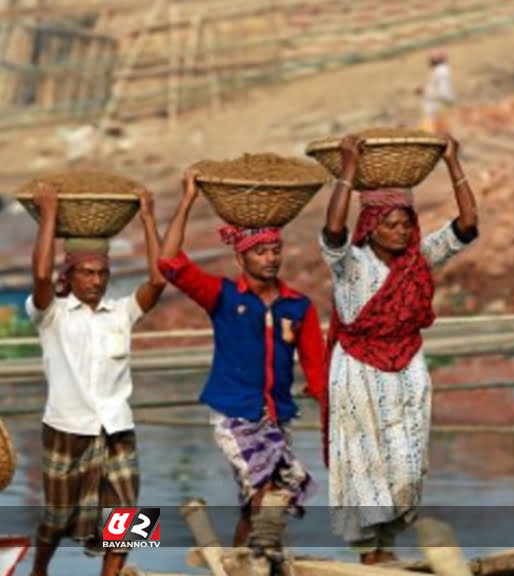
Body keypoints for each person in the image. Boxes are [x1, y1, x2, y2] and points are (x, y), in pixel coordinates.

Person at [319, 133, 478, 565]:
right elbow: (333, 232)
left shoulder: (416, 261)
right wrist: (350, 169)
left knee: (403, 469)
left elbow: (466, 226)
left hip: (405, 368)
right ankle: (118, 553)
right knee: (266, 493)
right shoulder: (352, 265)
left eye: (406, 222)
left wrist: (452, 164)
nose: (401, 230)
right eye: (390, 223)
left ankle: (381, 556)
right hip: (349, 377)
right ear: (370, 227)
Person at [157, 170, 327, 550]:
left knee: (261, 506)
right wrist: (186, 201)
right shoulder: (222, 296)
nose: (270, 259)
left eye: (275, 250)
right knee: (266, 490)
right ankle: (93, 553)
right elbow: (169, 264)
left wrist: (335, 414)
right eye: (260, 251)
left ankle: (247, 563)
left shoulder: (298, 306)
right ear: (240, 256)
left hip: (275, 416)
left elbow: (318, 369)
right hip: (235, 413)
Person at [26, 182, 166, 576]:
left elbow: (158, 282)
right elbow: (39, 276)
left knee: (129, 516)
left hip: (117, 428)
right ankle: (39, 571)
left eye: (102, 273)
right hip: (66, 428)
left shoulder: (120, 312)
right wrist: (49, 213)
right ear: (70, 276)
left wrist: (149, 217)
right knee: (55, 519)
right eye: (87, 273)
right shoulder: (51, 313)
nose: (96, 280)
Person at [419, 51, 455, 134]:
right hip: (435, 113)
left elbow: (446, 95)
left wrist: (425, 90)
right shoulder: (439, 72)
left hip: (437, 114)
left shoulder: (441, 73)